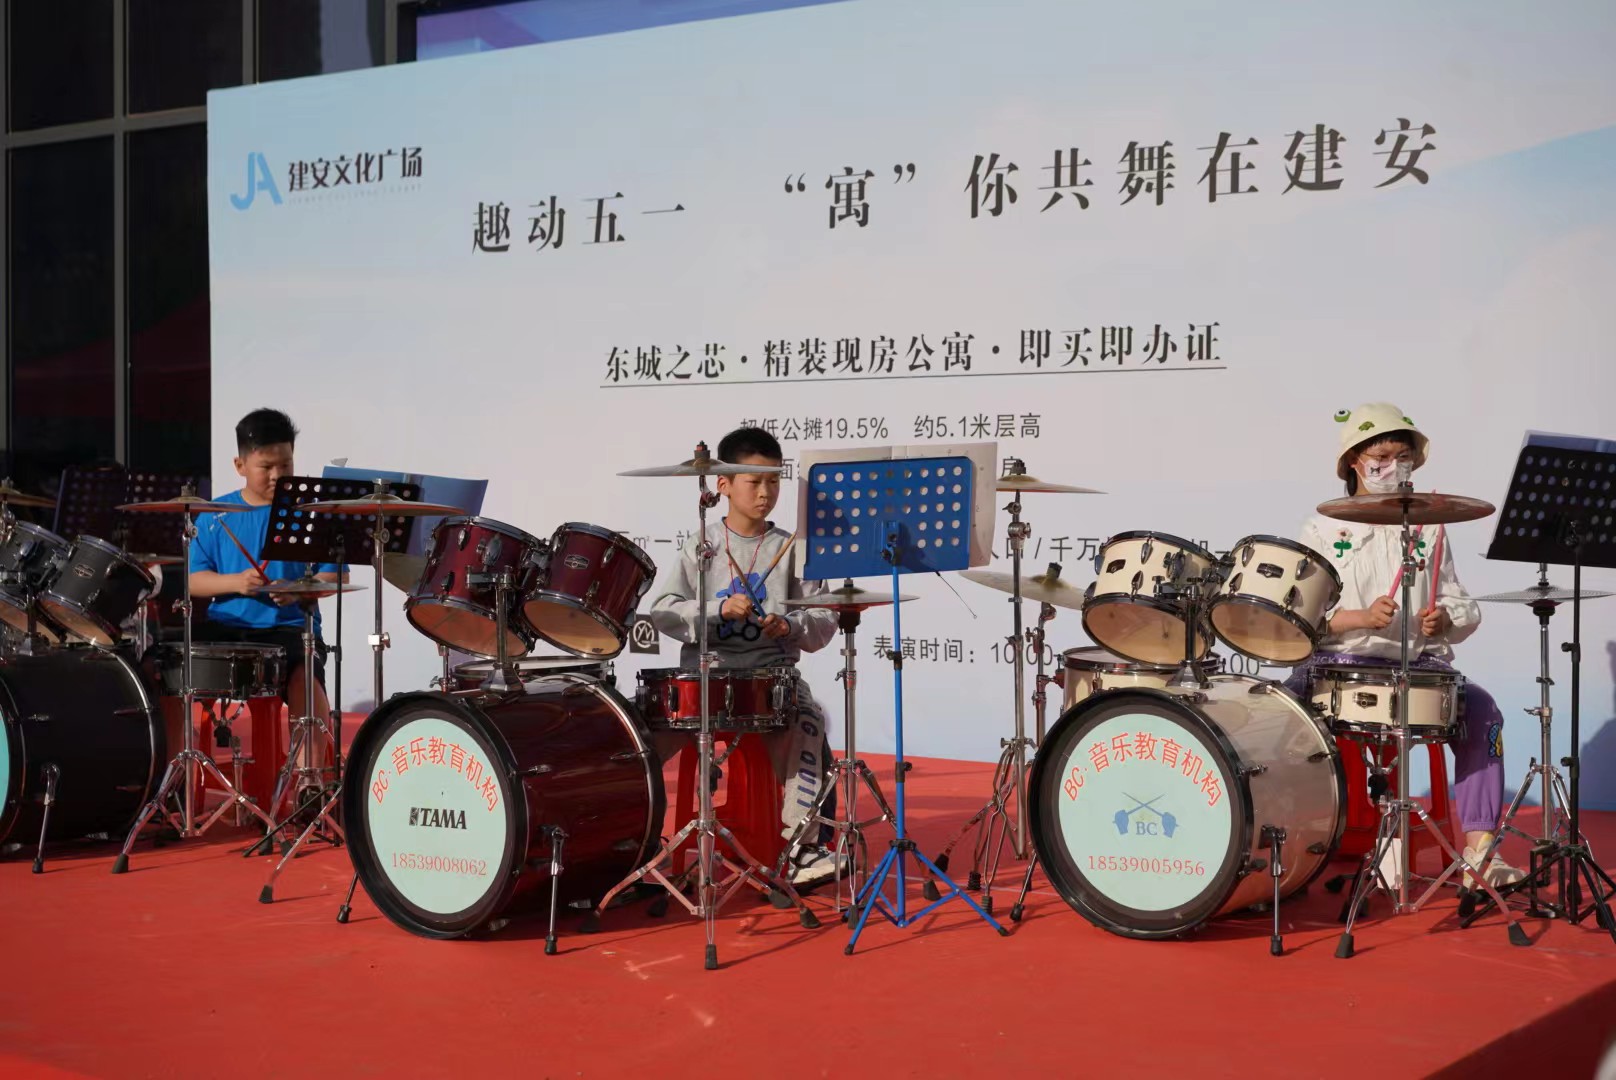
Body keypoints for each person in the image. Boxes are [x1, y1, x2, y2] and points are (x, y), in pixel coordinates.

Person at [1287, 402, 1522, 889]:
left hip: (1417, 665)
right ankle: (1286, 851)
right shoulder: (1322, 527)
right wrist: (1359, 618)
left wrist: (1445, 620)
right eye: (1380, 459)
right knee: (1281, 718)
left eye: (1403, 458)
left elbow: (1457, 600)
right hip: (1338, 664)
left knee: (1483, 712)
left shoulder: (1428, 527)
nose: (1393, 468)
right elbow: (1301, 617)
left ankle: (1480, 852)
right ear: (1353, 462)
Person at [648, 426, 843, 886]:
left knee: (808, 721)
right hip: (707, 678)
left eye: (774, 481)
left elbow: (824, 619)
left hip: (771, 677)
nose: (765, 492)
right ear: (723, 484)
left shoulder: (792, 547)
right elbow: (663, 611)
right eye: (754, 481)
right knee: (638, 742)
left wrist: (789, 625)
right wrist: (716, 610)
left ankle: (803, 848)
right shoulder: (702, 544)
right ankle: (632, 840)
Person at [186, 408, 343, 799]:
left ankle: (309, 782)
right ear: (240, 465)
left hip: (289, 629)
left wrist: (298, 590)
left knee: (305, 678)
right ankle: (180, 779)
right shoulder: (216, 515)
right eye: (266, 466)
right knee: (169, 670)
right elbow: (192, 580)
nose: (277, 475)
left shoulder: (308, 512)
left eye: (285, 464)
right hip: (227, 628)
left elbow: (335, 577)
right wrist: (236, 582)